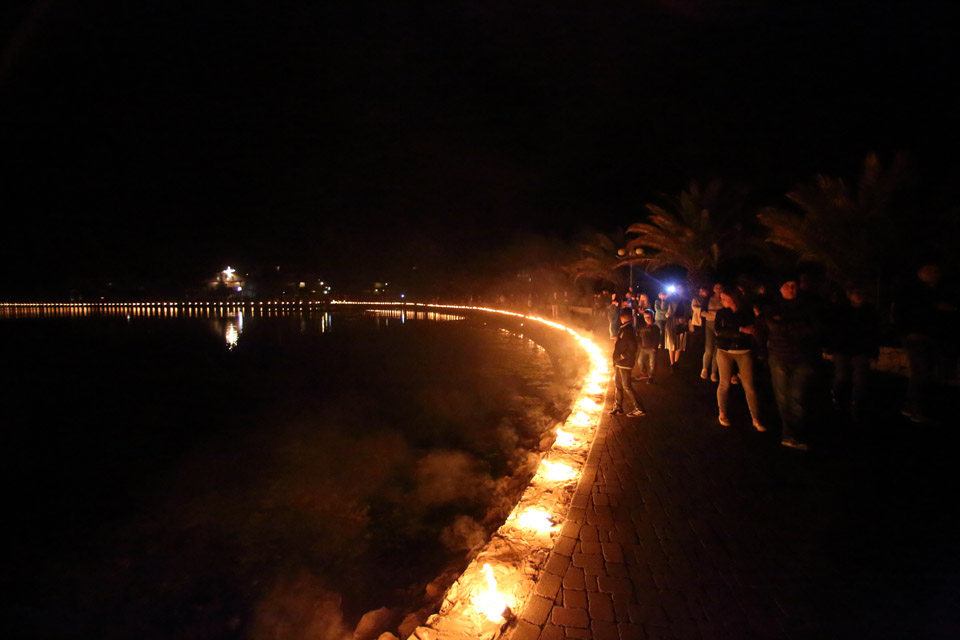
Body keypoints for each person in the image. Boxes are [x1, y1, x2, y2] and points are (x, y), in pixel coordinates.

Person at [757, 273, 820, 451]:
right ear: (780, 287)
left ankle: (794, 432)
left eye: (793, 285)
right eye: (787, 285)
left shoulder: (808, 306)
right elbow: (769, 327)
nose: (791, 289)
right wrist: (795, 326)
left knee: (798, 397)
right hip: (779, 357)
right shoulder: (772, 307)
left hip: (803, 358)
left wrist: (783, 326)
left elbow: (813, 329)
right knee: (783, 397)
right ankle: (789, 433)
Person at [894, 260, 957, 423]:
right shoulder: (911, 292)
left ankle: (926, 405)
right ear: (919, 273)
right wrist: (907, 332)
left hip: (935, 337)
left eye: (936, 271)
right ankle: (912, 406)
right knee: (920, 371)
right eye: (928, 270)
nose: (933, 274)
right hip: (915, 337)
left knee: (934, 372)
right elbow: (900, 312)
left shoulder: (943, 291)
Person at [714, 287, 766, 432]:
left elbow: (753, 330)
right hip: (725, 350)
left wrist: (733, 331)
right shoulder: (721, 313)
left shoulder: (747, 312)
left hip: (744, 351)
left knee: (749, 385)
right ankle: (722, 412)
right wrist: (741, 330)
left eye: (724, 298)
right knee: (724, 383)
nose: (721, 300)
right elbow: (719, 331)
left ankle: (756, 418)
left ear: (733, 298)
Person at [829, 284, 879, 422]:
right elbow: (834, 329)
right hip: (842, 348)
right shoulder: (841, 310)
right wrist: (832, 347)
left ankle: (857, 404)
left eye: (862, 293)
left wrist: (874, 353)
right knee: (841, 376)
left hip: (861, 350)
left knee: (860, 378)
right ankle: (838, 397)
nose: (859, 296)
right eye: (856, 292)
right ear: (849, 294)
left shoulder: (870, 311)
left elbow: (875, 333)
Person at [610, 309, 647, 417]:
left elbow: (632, 348)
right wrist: (616, 360)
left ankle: (640, 408)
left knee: (627, 386)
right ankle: (618, 407)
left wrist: (622, 357)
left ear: (622, 317)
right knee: (617, 384)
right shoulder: (624, 329)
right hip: (619, 362)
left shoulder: (629, 330)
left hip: (625, 363)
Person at [637, 310, 661, 383]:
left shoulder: (655, 327)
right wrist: (640, 344)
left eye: (648, 317)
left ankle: (651, 377)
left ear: (652, 316)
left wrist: (654, 347)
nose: (647, 319)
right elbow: (640, 336)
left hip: (652, 349)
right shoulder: (643, 327)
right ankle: (644, 373)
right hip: (643, 348)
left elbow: (657, 338)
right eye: (645, 317)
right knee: (640, 361)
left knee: (652, 364)